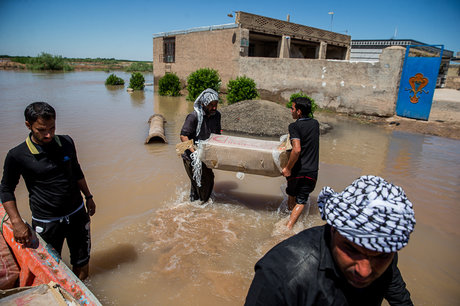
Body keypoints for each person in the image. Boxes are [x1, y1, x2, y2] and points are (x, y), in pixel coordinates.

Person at [245, 175, 416, 306]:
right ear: (333, 228)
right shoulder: (282, 275)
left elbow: (399, 297)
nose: (364, 271)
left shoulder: (384, 253)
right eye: (352, 250)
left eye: (380, 256)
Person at [0, 102, 96, 280]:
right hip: (47, 221)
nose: (49, 134)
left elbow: (76, 171)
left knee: (82, 262)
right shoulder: (17, 155)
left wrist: (88, 197)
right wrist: (16, 222)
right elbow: (5, 190)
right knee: (50, 270)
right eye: (42, 130)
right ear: (28, 125)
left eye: (52, 128)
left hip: (76, 214)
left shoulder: (66, 142)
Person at [282, 97, 319, 229]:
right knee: (302, 200)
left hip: (297, 171)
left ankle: (288, 227)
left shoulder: (294, 126)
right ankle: (292, 221)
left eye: (292, 108)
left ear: (298, 111)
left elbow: (296, 150)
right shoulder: (315, 124)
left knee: (292, 195)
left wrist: (288, 168)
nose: (290, 111)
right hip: (312, 172)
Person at [180, 88, 221, 202]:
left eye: (216, 104)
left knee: (206, 180)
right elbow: (183, 136)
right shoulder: (193, 116)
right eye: (211, 105)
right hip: (191, 156)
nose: (214, 108)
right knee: (200, 182)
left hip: (206, 154)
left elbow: (217, 135)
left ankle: (195, 205)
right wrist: (195, 153)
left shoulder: (216, 115)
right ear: (203, 104)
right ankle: (201, 206)